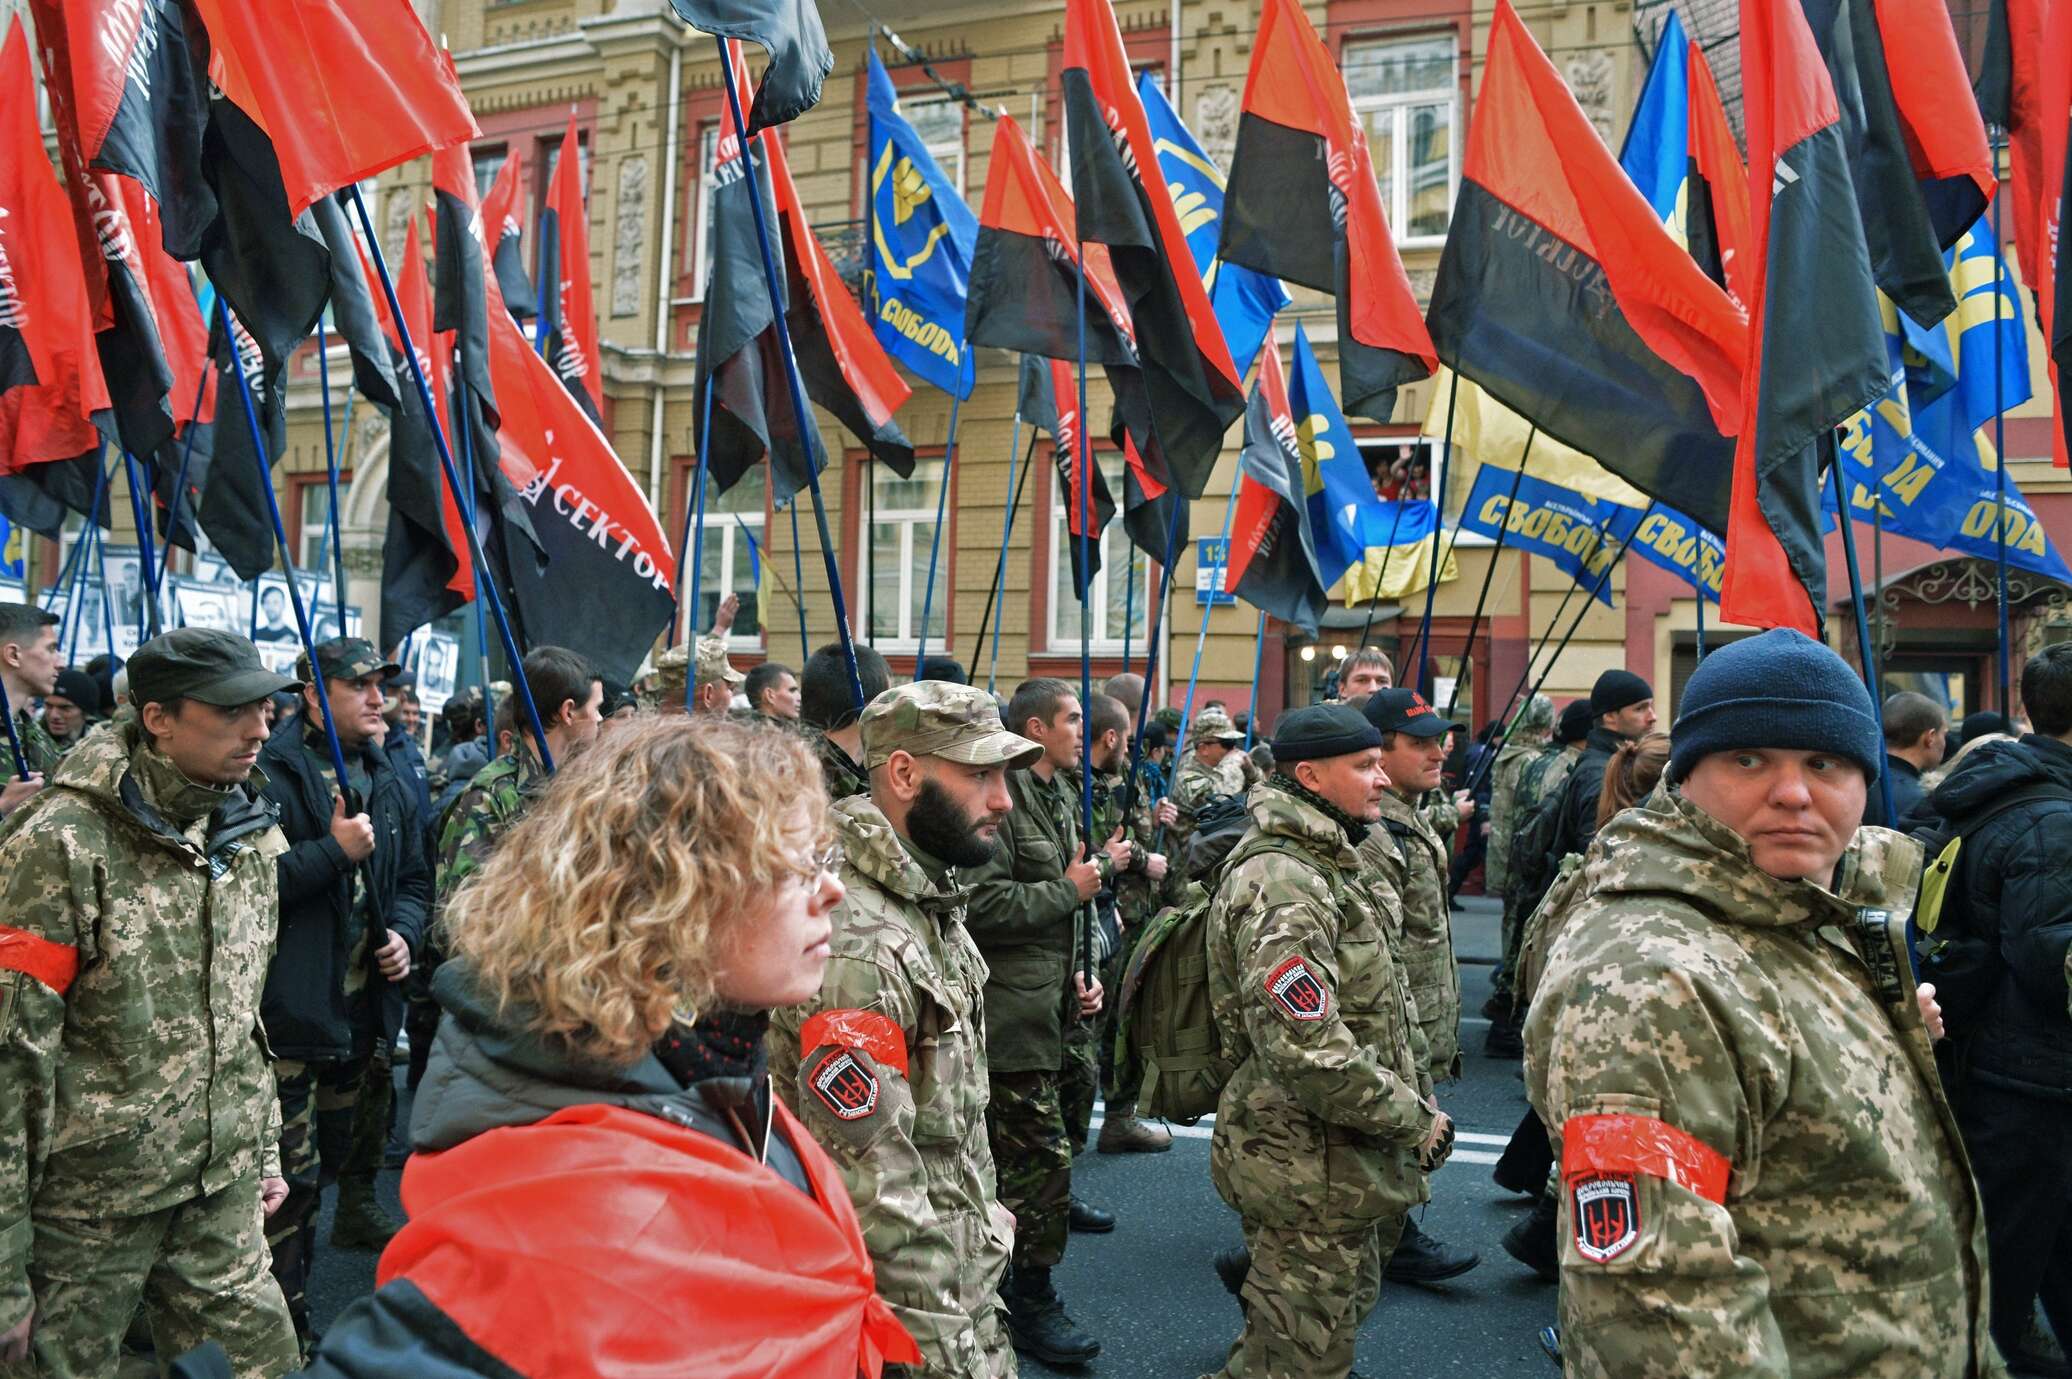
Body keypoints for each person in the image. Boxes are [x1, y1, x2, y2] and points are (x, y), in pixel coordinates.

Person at [288, 716, 919, 1377]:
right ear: (674, 894)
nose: (833, 890)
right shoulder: (574, 1192)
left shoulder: (709, 1058)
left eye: (827, 858)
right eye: (798, 866)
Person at [1525, 629, 2000, 1377]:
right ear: (1686, 777)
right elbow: (1663, 1316)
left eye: (1824, 763)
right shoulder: (1651, 976)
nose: (1793, 792)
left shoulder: (1801, 907)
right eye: (1749, 759)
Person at [0, 629, 302, 1379]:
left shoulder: (246, 826)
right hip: (88, 1205)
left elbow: (241, 1008)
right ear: (158, 718)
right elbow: (10, 1061)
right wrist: (3, 1267)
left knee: (264, 1364)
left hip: (217, 1183)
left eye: (265, 709)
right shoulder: (62, 842)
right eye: (232, 710)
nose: (259, 729)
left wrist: (261, 1147)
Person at [770, 682, 1040, 1379]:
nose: (1003, 800)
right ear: (903, 774)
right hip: (917, 1317)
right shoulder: (860, 944)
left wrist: (984, 1216)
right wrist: (946, 1353)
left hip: (959, 1271)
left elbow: (944, 1119)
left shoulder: (925, 894)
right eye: (980, 774)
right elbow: (874, 1189)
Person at [1205, 704, 1452, 1379]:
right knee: (1296, 1356)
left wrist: (1415, 1092)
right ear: (1311, 776)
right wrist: (1414, 1120)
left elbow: (1382, 1003)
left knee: (1324, 1330)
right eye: (1365, 766)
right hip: (1305, 1160)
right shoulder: (1285, 881)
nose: (1382, 779)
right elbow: (1305, 1046)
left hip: (1342, 1151)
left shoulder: (1331, 858)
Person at [257, 639, 431, 1350]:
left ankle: (295, 1301)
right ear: (312, 696)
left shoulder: (389, 770)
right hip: (294, 1016)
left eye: (380, 684)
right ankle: (284, 1329)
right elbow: (249, 889)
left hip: (362, 1013)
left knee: (330, 1161)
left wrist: (407, 936)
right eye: (358, 685)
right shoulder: (270, 770)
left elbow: (415, 877)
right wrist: (335, 851)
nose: (376, 698)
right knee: (288, 1183)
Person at [964, 679, 1130, 1366]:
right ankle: (1028, 1298)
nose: (1081, 732)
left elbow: (1074, 904)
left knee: (1037, 1157)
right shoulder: (1001, 799)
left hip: (1055, 1003)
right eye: (1071, 719)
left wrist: (1083, 972)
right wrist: (1070, 887)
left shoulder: (1061, 793)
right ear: (1035, 728)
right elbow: (982, 905)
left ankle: (1007, 1277)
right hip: (1013, 1012)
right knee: (1037, 1159)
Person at [1918, 643, 2072, 1374]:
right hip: (2036, 1081)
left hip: (2004, 1064)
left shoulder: (2003, 786)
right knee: (2004, 1271)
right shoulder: (2054, 817)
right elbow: (2052, 959)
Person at [415, 649, 603, 1091]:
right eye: (596, 708)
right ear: (568, 712)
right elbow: (457, 924)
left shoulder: (581, 791)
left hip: (569, 1017)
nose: (601, 720)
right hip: (504, 1023)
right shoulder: (488, 797)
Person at [1357, 689, 1480, 1286]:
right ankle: (1382, 1243)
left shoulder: (1408, 816)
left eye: (1439, 740)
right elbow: (1379, 946)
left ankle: (1390, 1235)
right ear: (1381, 752)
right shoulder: (1377, 831)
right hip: (1397, 1015)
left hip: (1422, 1011)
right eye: (1421, 743)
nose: (1439, 752)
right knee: (1388, 1131)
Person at [1071, 692, 1173, 1156]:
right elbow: (1100, 844)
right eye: (1129, 735)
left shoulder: (1123, 774)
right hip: (1110, 911)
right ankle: (1095, 1125)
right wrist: (1141, 858)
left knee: (1122, 1019)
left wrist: (1156, 817)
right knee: (1101, 1023)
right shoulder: (1082, 783)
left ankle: (1118, 1115)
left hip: (1123, 908)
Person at [1542, 669, 1655, 878]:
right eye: (1640, 709)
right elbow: (1596, 860)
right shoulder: (1600, 774)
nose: (1652, 717)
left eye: (1651, 706)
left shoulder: (1608, 763)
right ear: (1610, 716)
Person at [803, 641, 894, 803]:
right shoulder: (806, 779)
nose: (893, 707)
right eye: (888, 698)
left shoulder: (866, 767)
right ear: (868, 706)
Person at [0, 602, 61, 812]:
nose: (60, 662)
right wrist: (4, 807)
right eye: (51, 649)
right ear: (13, 655)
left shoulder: (33, 732)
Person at [1870, 689, 1946, 827]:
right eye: (1944, 734)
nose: (1945, 743)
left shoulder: (1860, 780)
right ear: (1930, 737)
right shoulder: (1921, 802)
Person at [40, 668, 103, 755]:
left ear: (85, 712)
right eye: (49, 706)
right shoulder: (28, 742)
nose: (54, 715)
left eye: (64, 708)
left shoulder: (102, 747)